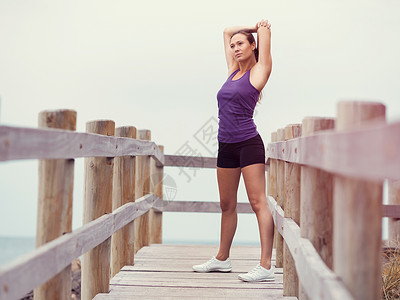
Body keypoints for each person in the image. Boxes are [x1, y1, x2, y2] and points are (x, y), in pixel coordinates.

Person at [192, 19, 275, 282]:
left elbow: (264, 32)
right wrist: (245, 28)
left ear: (253, 46)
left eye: (241, 44)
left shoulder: (260, 70)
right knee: (226, 205)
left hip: (248, 143)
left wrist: (258, 28)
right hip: (225, 145)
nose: (235, 48)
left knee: (257, 202)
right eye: (233, 46)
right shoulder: (232, 71)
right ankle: (222, 259)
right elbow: (227, 30)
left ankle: (265, 266)